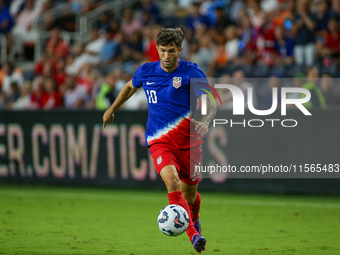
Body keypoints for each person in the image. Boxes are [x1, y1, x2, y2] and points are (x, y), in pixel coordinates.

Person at [102, 27, 216, 253]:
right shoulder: (146, 71)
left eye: (171, 51)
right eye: (162, 51)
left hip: (189, 142)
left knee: (190, 195)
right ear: (157, 49)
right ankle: (194, 235)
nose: (166, 56)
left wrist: (206, 120)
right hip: (159, 140)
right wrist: (111, 109)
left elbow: (210, 100)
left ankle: (194, 218)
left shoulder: (191, 71)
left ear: (180, 50)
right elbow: (128, 87)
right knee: (172, 182)